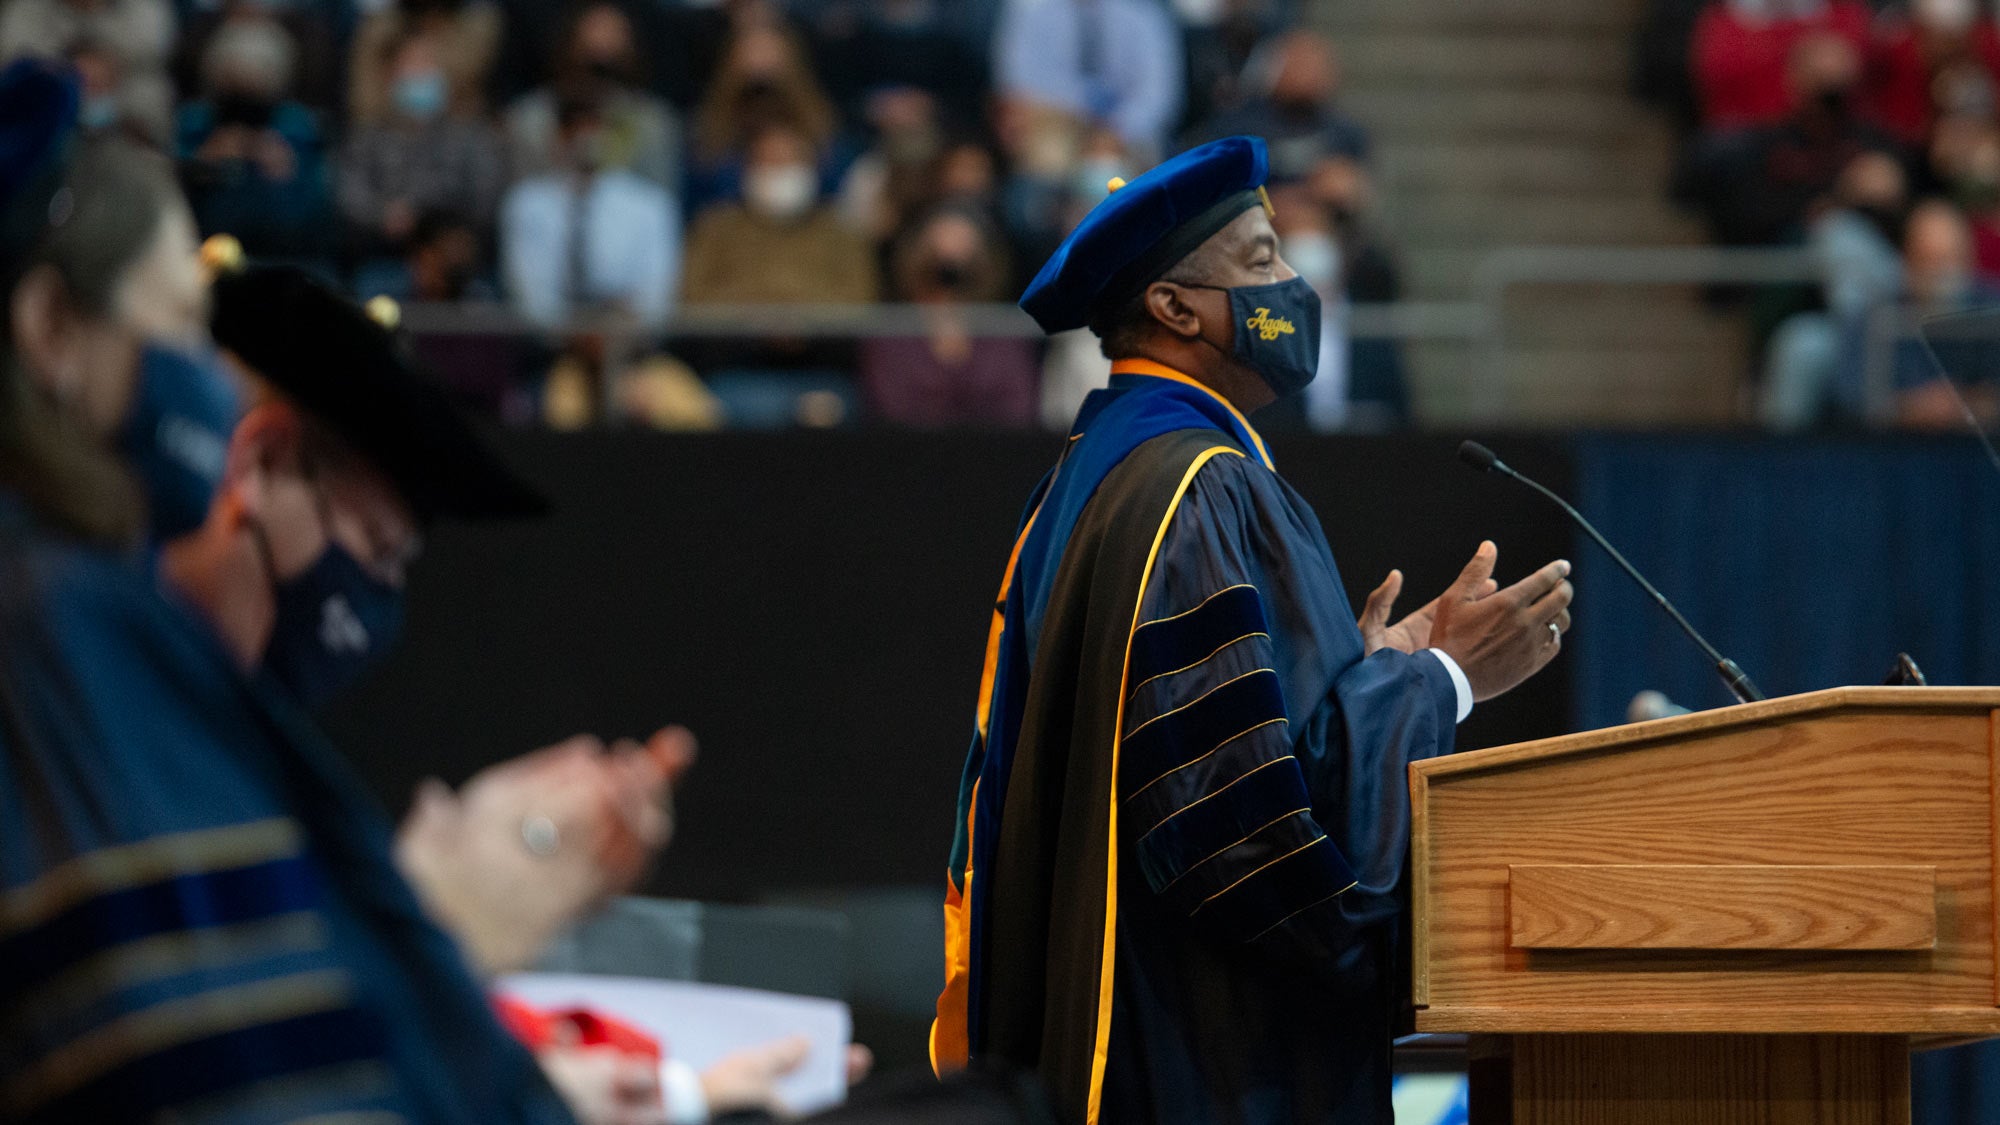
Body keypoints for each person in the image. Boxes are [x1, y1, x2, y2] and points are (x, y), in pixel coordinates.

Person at [930, 136, 1575, 1124]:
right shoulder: (1198, 485)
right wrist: (1442, 677)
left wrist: (1373, 668)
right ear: (1175, 307)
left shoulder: (1096, 475)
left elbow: (1212, 741)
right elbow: (1240, 828)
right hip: (1199, 1055)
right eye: (1263, 259)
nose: (1293, 286)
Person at [0, 59, 581, 1122]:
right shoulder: (55, 632)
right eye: (183, 325)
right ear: (50, 330)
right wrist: (453, 920)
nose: (205, 379)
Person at [500, 97, 682, 332]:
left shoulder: (651, 204)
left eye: (595, 129)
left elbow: (656, 295)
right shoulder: (526, 203)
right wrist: (572, 333)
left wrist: (614, 330)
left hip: (628, 338)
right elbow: (529, 293)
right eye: (574, 130)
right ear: (555, 137)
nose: (585, 140)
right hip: (550, 341)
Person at [175, 19, 334, 261]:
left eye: (255, 84)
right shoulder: (194, 124)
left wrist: (286, 177)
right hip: (204, 253)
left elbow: (318, 217)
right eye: (233, 83)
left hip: (282, 257)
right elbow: (170, 199)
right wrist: (202, 164)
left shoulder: (298, 128)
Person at [338, 28, 506, 257]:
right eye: (413, 64)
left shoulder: (470, 135)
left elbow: (486, 195)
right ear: (390, 74)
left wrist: (433, 220)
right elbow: (348, 192)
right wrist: (381, 215)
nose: (422, 73)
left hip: (453, 253)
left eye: (429, 63)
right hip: (382, 252)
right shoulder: (368, 137)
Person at [503, 0, 681, 189]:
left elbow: (660, 197)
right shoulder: (530, 120)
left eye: (605, 67)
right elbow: (523, 196)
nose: (593, 82)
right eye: (588, 64)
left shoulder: (653, 124)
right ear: (569, 47)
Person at [991, 0, 1182, 161]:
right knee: (1048, 153)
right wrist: (1082, 114)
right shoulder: (1031, 8)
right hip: (1059, 120)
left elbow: (1158, 96)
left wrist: (1117, 131)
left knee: (1115, 166)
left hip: (1128, 130)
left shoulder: (1144, 13)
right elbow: (1019, 80)